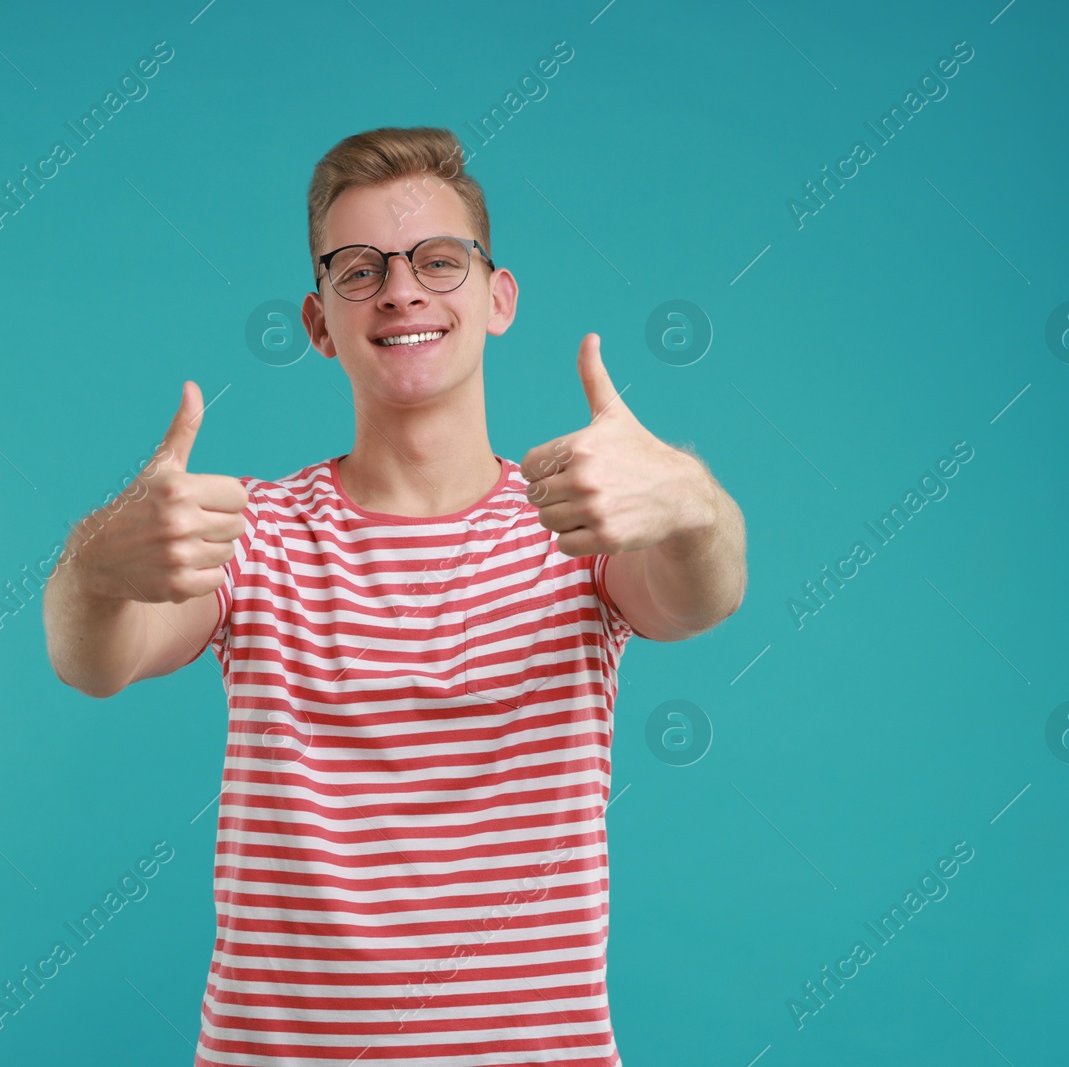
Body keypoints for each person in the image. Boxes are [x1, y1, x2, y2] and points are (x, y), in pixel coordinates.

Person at [43, 125, 747, 1067]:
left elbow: (703, 599)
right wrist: (95, 564)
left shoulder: (578, 526)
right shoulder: (251, 533)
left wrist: (692, 505)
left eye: (438, 261)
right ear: (319, 320)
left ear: (499, 298)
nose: (402, 289)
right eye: (360, 269)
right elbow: (93, 661)